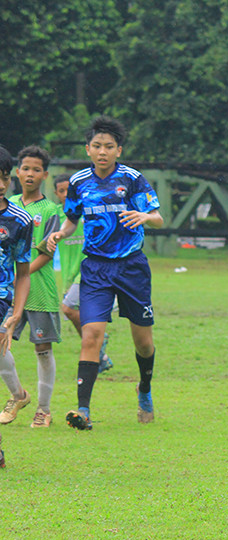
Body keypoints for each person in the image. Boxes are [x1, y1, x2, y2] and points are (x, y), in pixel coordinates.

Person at [46, 115, 164, 430]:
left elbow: (159, 218)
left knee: (143, 342)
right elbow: (71, 220)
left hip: (131, 267)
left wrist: (145, 217)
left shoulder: (133, 179)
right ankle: (82, 410)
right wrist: (60, 233)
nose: (102, 151)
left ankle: (145, 389)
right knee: (91, 334)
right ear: (88, 149)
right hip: (96, 268)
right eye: (97, 146)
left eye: (109, 146)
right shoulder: (79, 183)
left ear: (118, 150)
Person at [6, 147, 64, 427]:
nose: (30, 174)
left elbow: (46, 252)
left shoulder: (51, 211)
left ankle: (43, 408)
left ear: (45, 175)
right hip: (9, 291)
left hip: (39, 290)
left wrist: (20, 275)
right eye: (25, 168)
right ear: (17, 172)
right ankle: (18, 395)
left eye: (36, 169)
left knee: (43, 348)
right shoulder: (8, 204)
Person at [54, 174, 113, 373]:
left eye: (68, 190)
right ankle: (100, 354)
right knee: (84, 317)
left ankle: (98, 345)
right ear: (56, 193)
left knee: (68, 308)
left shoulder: (89, 212)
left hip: (89, 271)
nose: (65, 194)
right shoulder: (56, 216)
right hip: (69, 275)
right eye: (61, 191)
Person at [0, 145, 34, 452]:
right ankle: (19, 394)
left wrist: (16, 313)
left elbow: (23, 273)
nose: (0, 184)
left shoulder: (19, 220)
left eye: (4, 177)